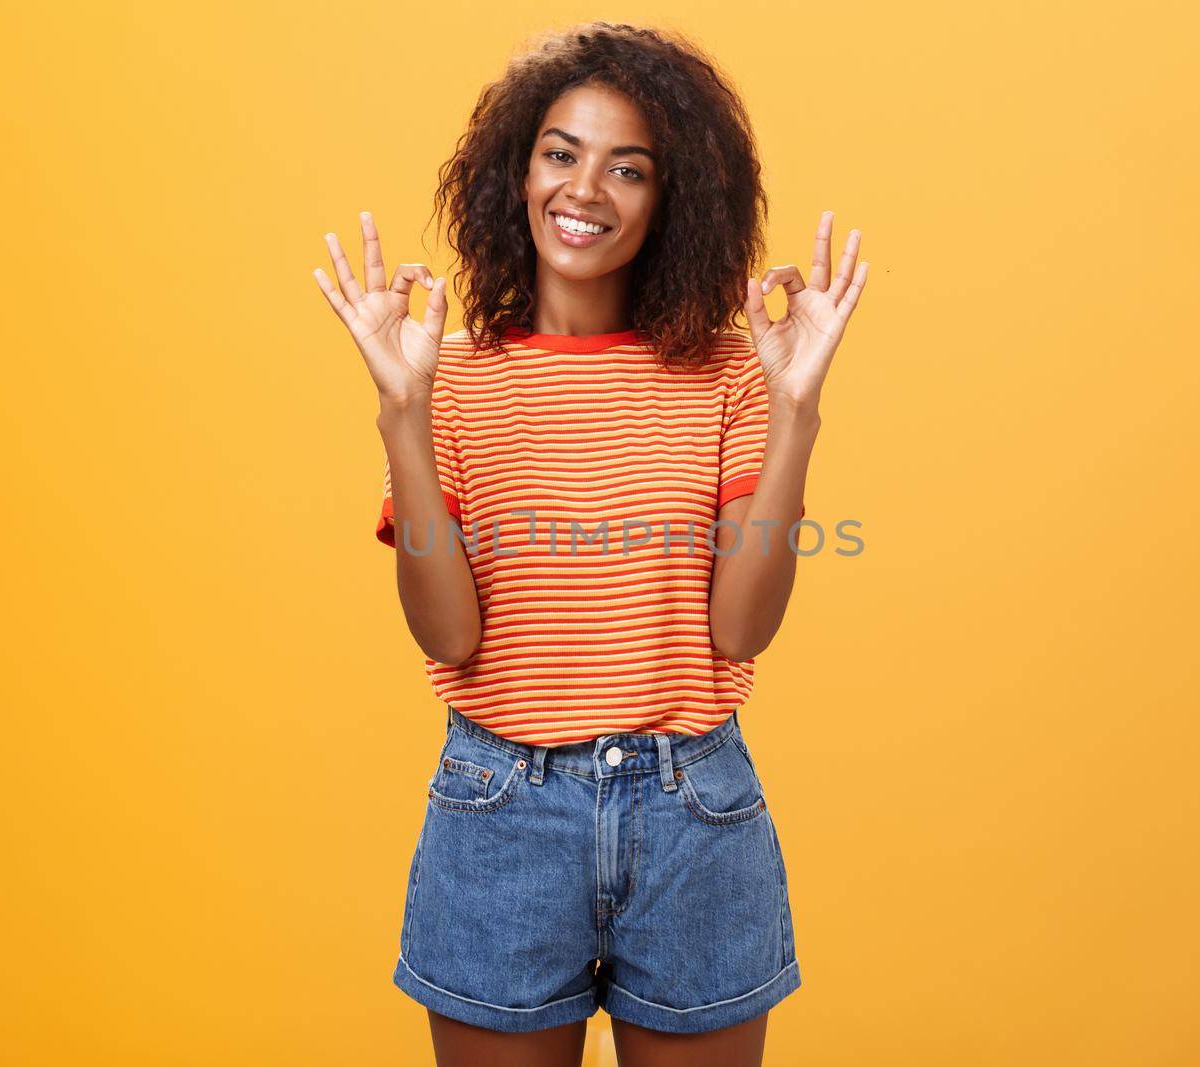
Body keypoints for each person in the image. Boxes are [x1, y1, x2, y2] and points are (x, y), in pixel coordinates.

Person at [313, 22, 868, 1067]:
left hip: (691, 816)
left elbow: (742, 626)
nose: (586, 190)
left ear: (671, 201)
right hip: (500, 815)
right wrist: (401, 411)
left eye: (630, 169)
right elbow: (450, 634)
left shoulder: (729, 376)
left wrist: (797, 411)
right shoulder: (451, 378)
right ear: (517, 171)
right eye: (562, 153)